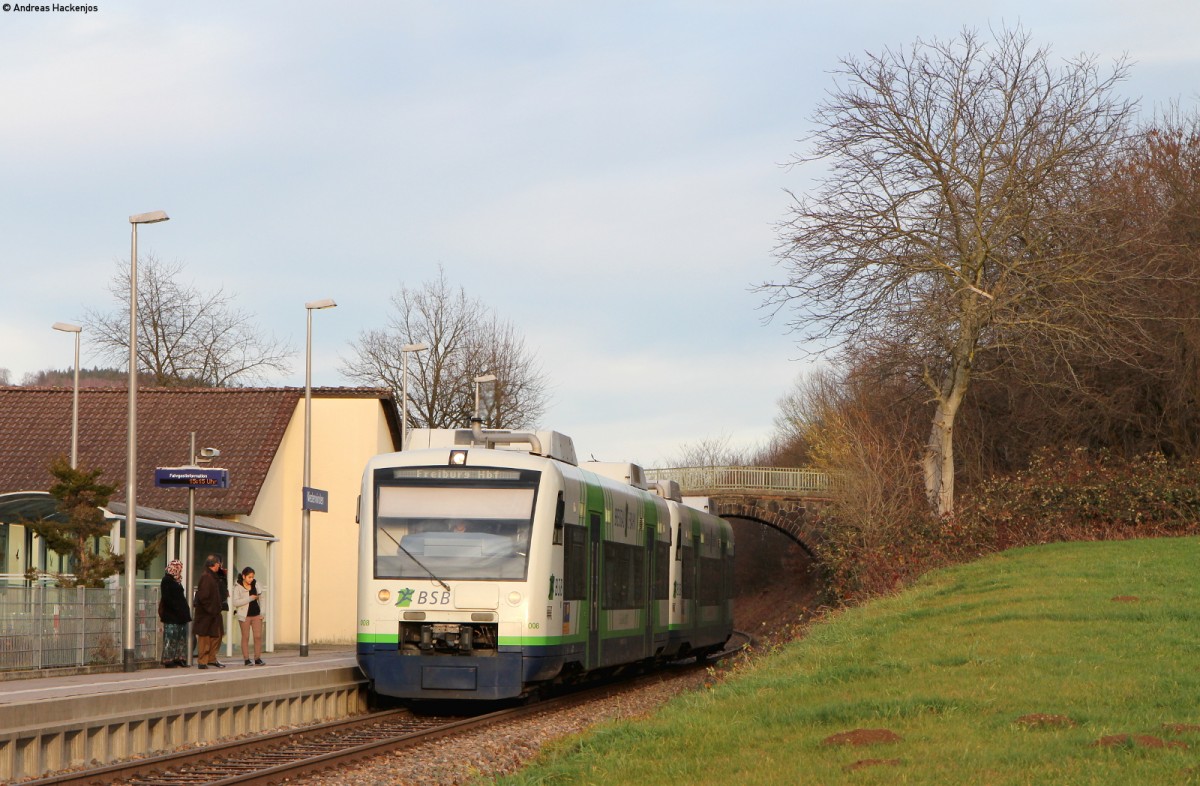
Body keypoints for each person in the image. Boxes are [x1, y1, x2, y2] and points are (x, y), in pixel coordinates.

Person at [193, 554, 227, 669]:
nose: (220, 566)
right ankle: (202, 661)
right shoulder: (207, 577)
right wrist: (211, 609)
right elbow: (203, 596)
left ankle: (212, 658)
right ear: (214, 564)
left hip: (214, 613)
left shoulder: (214, 576)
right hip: (206, 614)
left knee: (217, 635)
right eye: (218, 564)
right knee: (205, 638)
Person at [159, 559, 191, 668]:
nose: (179, 570)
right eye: (178, 568)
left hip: (180, 615)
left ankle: (179, 658)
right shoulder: (167, 580)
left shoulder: (177, 581)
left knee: (181, 637)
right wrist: (176, 608)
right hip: (171, 615)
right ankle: (168, 659)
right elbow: (166, 597)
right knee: (170, 637)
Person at [232, 566, 266, 666]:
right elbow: (235, 602)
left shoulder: (256, 584)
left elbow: (262, 598)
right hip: (244, 616)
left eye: (252, 577)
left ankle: (257, 658)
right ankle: (246, 659)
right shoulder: (238, 586)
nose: (251, 579)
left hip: (256, 614)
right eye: (249, 577)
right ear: (244, 576)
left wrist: (262, 613)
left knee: (258, 636)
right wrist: (250, 598)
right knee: (245, 637)